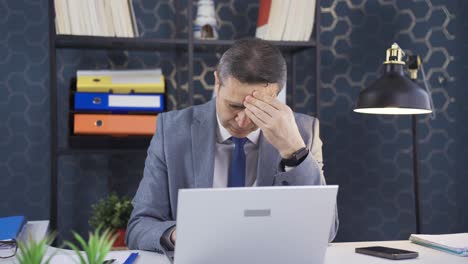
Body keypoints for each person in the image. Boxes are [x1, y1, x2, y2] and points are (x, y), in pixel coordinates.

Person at [126, 38, 338, 252]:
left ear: (276, 95)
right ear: (217, 82)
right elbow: (139, 227)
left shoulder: (303, 132)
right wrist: (178, 235)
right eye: (234, 106)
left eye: (257, 108)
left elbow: (325, 231)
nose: (242, 120)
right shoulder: (172, 130)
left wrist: (294, 151)